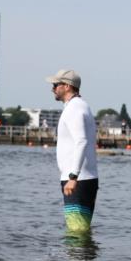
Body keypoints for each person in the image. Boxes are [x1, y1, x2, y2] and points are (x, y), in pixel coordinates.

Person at [46, 69, 98, 232]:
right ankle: (84, 257)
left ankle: (77, 258)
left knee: (76, 232)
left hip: (77, 179)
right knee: (80, 231)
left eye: (56, 85)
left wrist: (73, 177)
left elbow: (81, 141)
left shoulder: (74, 108)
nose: (52, 88)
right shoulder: (81, 106)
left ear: (67, 86)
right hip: (82, 178)